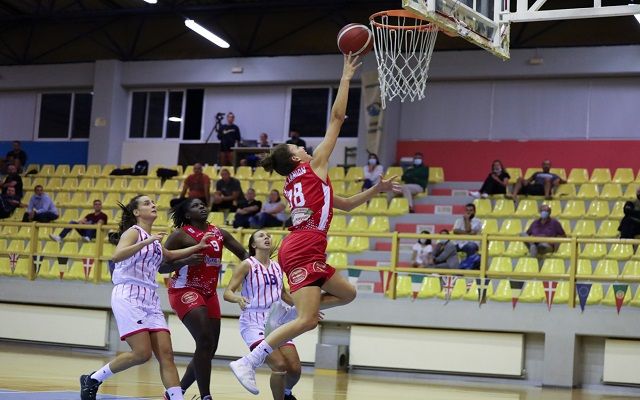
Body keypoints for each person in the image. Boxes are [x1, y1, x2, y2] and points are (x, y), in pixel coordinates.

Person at [228, 54, 400, 395]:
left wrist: (376, 190)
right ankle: (249, 360)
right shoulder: (312, 167)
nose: (305, 148)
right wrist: (346, 76)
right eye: (298, 147)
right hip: (303, 245)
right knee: (307, 320)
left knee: (348, 293)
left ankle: (288, 311)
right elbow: (337, 118)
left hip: (307, 245)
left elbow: (345, 204)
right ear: (296, 158)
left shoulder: (306, 182)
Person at [79, 195, 214, 400]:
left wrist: (198, 246)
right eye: (147, 203)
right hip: (129, 294)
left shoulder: (154, 241)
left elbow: (170, 256)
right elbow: (117, 256)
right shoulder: (133, 232)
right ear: (136, 212)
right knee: (142, 353)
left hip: (150, 298)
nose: (153, 205)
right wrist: (147, 241)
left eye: (153, 202)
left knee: (166, 355)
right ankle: (93, 379)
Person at [159, 198, 248, 400]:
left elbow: (243, 253)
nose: (201, 207)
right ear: (187, 214)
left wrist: (260, 266)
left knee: (209, 348)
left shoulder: (220, 233)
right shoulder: (180, 235)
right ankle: (206, 396)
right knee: (205, 340)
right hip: (184, 289)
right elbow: (161, 266)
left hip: (209, 293)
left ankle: (177, 392)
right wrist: (185, 261)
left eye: (202, 204)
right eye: (195, 205)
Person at [224, 230, 304, 400]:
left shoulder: (277, 266)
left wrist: (304, 308)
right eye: (261, 236)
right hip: (253, 321)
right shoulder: (247, 265)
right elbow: (227, 292)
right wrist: (238, 298)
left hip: (276, 320)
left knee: (295, 369)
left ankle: (286, 394)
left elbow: (283, 294)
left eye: (268, 235)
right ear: (253, 244)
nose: (266, 237)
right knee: (279, 365)